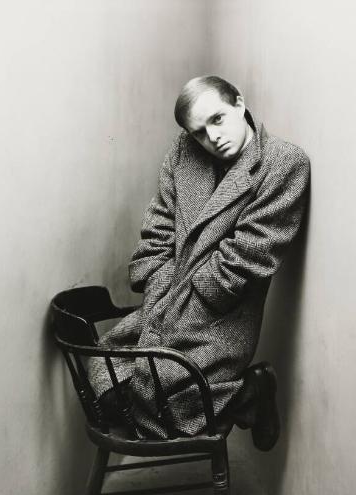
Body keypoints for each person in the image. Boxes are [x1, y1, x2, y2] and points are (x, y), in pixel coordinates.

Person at [89, 75, 310, 448]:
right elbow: (158, 228)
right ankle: (242, 397)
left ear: (239, 103)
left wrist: (187, 304)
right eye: (200, 132)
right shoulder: (184, 151)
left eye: (218, 119)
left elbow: (248, 257)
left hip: (219, 318)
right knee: (106, 388)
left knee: (157, 409)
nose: (213, 137)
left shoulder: (283, 163)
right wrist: (160, 287)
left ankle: (249, 392)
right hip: (164, 303)